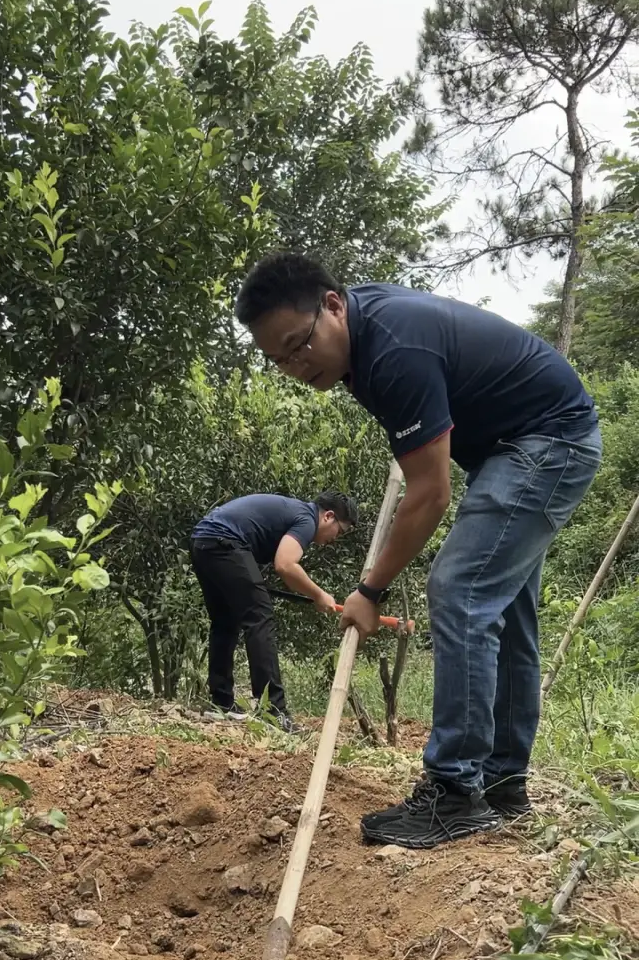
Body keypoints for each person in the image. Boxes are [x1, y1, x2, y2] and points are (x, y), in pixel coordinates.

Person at [235, 253, 601, 847]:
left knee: (459, 590)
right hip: (513, 449)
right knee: (504, 612)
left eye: (299, 344)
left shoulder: (393, 351)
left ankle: (455, 792)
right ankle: (502, 784)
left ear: (333, 305)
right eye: (277, 359)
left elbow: (429, 495)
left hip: (546, 441)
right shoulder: (362, 338)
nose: (296, 365)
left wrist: (369, 591)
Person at [190, 490, 358, 733]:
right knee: (259, 617)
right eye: (340, 531)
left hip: (203, 541)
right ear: (328, 516)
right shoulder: (306, 519)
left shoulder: (295, 512)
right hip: (223, 541)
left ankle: (221, 703)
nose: (336, 539)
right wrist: (319, 594)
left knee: (225, 622)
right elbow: (286, 564)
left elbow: (282, 567)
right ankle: (274, 712)